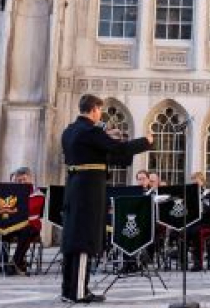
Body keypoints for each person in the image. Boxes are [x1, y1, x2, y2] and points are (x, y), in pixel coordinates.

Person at [60, 94, 153, 304]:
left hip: (75, 187)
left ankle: (69, 290)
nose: (100, 114)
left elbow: (96, 152)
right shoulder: (90, 131)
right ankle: (79, 292)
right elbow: (118, 149)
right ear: (94, 110)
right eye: (99, 111)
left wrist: (106, 137)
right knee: (83, 240)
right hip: (88, 191)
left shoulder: (70, 130)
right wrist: (145, 142)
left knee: (72, 239)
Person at [0, 166, 46, 275]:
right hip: (13, 224)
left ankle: (16, 263)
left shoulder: (37, 193)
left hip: (30, 225)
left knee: (26, 231)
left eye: (24, 179)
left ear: (30, 179)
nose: (22, 182)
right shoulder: (11, 193)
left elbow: (27, 210)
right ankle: (0, 263)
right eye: (19, 180)